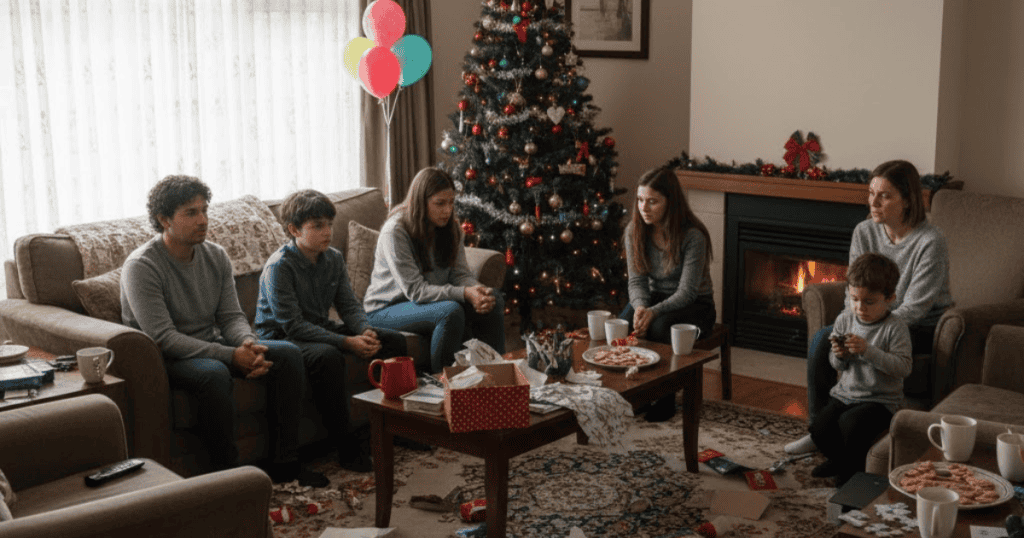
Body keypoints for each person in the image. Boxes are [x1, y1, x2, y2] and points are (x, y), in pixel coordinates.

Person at [121, 175, 328, 487]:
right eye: (191, 213)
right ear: (164, 219)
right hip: (167, 358)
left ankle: (285, 464)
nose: (203, 220)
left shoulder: (215, 255)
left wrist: (248, 344)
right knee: (214, 373)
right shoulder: (142, 266)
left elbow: (231, 316)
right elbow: (163, 338)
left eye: (204, 210)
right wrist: (232, 356)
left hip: (212, 344)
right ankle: (228, 480)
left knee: (287, 354)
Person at [786, 160, 953, 455]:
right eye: (871, 193)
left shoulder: (930, 241)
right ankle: (819, 430)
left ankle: (863, 426)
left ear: (908, 200)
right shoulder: (865, 231)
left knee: (868, 341)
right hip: (869, 318)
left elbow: (916, 306)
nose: (873, 203)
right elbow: (854, 287)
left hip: (918, 326)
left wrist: (869, 332)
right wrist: (847, 325)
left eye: (885, 196)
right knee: (822, 339)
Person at [254, 189, 408, 472]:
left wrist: (364, 330)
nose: (327, 232)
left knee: (393, 341)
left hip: (318, 327)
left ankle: (396, 427)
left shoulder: (333, 258)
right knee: (327, 356)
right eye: (317, 226)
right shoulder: (279, 267)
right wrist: (347, 342)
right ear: (294, 230)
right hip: (282, 337)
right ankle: (346, 447)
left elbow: (348, 305)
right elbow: (293, 325)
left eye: (329, 224)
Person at [363, 167, 505, 373]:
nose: (447, 210)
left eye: (451, 202)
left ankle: (497, 376)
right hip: (386, 309)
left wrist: (478, 291)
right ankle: (442, 383)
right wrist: (465, 293)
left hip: (427, 304)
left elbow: (460, 274)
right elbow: (416, 291)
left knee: (494, 299)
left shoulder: (452, 228)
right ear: (421, 202)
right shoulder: (395, 231)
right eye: (440, 203)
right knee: (450, 312)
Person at [620, 165, 716, 422]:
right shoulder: (634, 230)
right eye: (640, 200)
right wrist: (641, 307)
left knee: (661, 328)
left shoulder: (693, 236)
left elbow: (687, 292)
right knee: (623, 324)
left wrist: (653, 313)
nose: (644, 207)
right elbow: (636, 281)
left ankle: (666, 397)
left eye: (653, 201)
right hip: (655, 299)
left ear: (670, 202)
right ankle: (636, 392)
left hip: (696, 304)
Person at [807, 252, 912, 486]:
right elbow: (837, 365)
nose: (860, 307)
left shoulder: (895, 328)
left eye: (869, 302)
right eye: (854, 299)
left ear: (890, 298)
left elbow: (903, 368)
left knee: (851, 424)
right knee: (819, 428)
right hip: (846, 394)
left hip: (881, 400)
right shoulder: (845, 319)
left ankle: (850, 475)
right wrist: (839, 356)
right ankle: (840, 460)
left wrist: (867, 351)